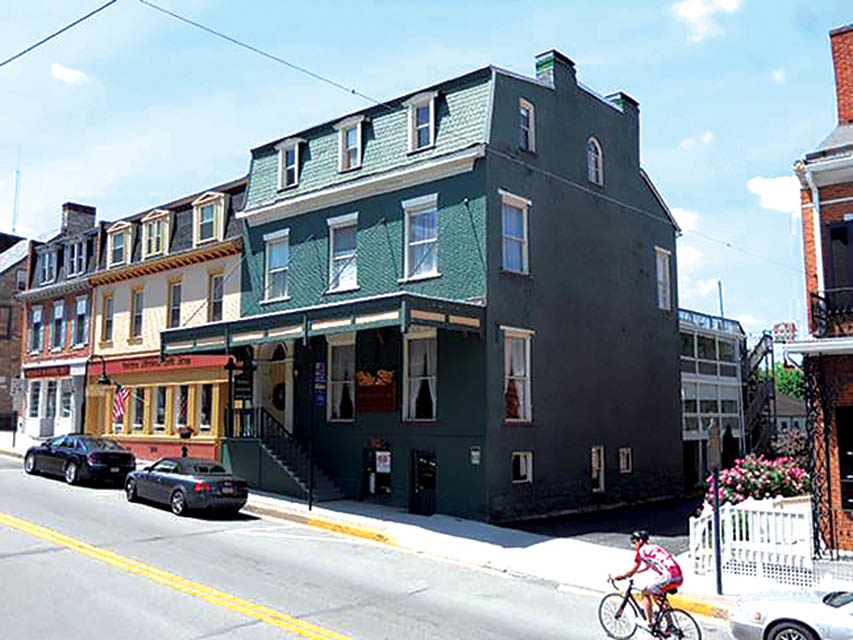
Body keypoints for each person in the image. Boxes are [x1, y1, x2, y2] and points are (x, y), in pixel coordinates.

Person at [610, 530, 683, 631]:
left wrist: (618, 577)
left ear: (639, 541)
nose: (633, 545)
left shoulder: (641, 552)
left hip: (668, 577)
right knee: (656, 594)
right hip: (678, 576)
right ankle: (670, 624)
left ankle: (649, 623)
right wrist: (638, 572)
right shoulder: (654, 548)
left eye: (634, 542)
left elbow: (632, 571)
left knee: (645, 592)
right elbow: (649, 565)